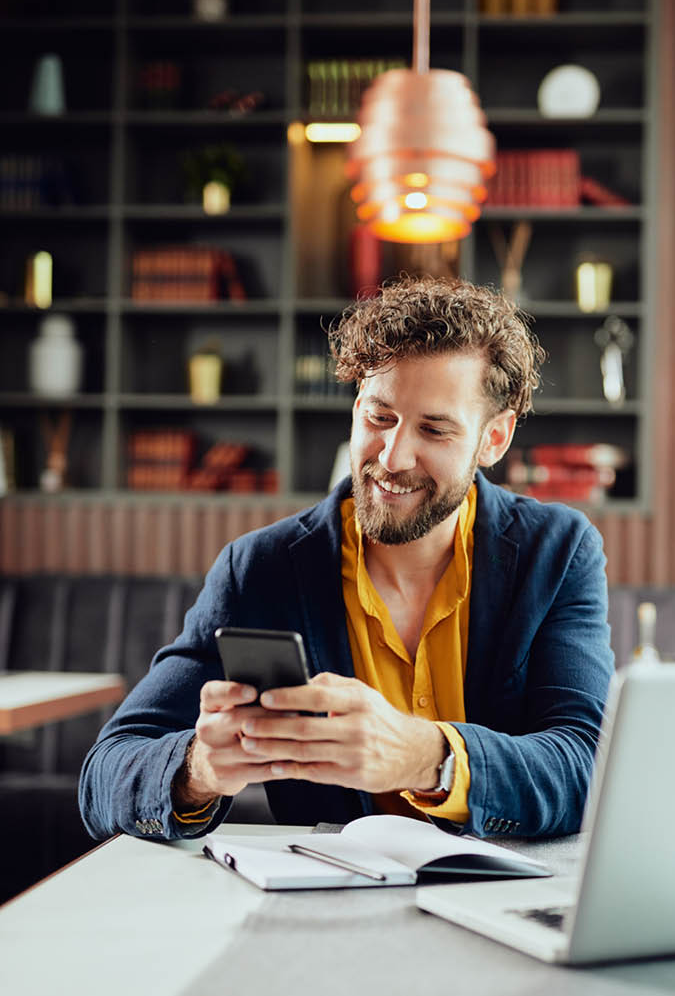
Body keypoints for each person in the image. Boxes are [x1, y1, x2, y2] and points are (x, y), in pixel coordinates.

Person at [79, 277, 614, 842]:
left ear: (494, 439)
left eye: (434, 429)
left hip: (507, 908)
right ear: (357, 406)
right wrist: (198, 770)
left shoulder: (556, 552)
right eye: (379, 418)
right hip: (326, 908)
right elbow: (105, 773)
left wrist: (426, 757)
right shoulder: (261, 568)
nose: (392, 455)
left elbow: (589, 766)